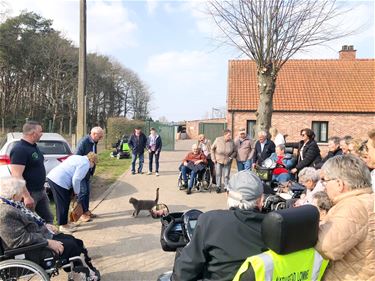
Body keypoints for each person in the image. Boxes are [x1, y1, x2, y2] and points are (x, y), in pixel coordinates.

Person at [172, 171, 266, 281]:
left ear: (227, 194)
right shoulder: (276, 227)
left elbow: (184, 272)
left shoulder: (211, 220)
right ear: (261, 200)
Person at [0, 177, 100, 280]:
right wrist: (48, 242)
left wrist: (45, 225)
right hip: (32, 249)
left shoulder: (12, 204)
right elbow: (18, 240)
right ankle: (81, 275)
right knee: (71, 246)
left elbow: (30, 221)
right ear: (14, 195)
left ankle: (83, 272)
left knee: (75, 241)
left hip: (40, 236)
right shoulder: (5, 213)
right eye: (22, 191)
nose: (23, 194)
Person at [315, 154, 375, 280]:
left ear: (339, 184)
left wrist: (317, 226)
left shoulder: (353, 206)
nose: (323, 186)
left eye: (325, 181)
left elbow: (328, 247)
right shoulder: (369, 200)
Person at [9, 121, 54, 224]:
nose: (42, 134)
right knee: (29, 222)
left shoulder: (34, 146)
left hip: (41, 191)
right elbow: (16, 176)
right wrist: (26, 196)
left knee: (48, 219)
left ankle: (51, 238)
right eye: (40, 131)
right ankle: (37, 240)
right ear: (33, 133)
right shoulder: (19, 149)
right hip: (29, 192)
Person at [47, 152, 98, 234]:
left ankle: (65, 223)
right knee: (62, 203)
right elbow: (76, 179)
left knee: (64, 202)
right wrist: (76, 192)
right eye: (94, 164)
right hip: (59, 181)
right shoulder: (86, 164)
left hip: (54, 177)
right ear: (92, 161)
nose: (92, 166)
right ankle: (63, 226)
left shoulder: (78, 157)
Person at [75, 126, 104, 222]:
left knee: (87, 192)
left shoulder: (94, 142)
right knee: (82, 193)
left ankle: (86, 211)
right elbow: (77, 157)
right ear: (94, 134)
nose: (101, 138)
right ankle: (80, 214)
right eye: (100, 137)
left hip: (88, 171)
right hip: (82, 171)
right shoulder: (84, 142)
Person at [211, 129, 237, 193]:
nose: (229, 136)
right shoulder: (218, 139)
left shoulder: (232, 141)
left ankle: (226, 186)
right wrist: (213, 158)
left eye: (230, 135)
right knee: (218, 174)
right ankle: (218, 187)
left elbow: (235, 151)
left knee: (226, 175)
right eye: (228, 135)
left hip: (227, 160)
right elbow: (212, 149)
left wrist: (231, 157)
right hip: (218, 160)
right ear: (225, 135)